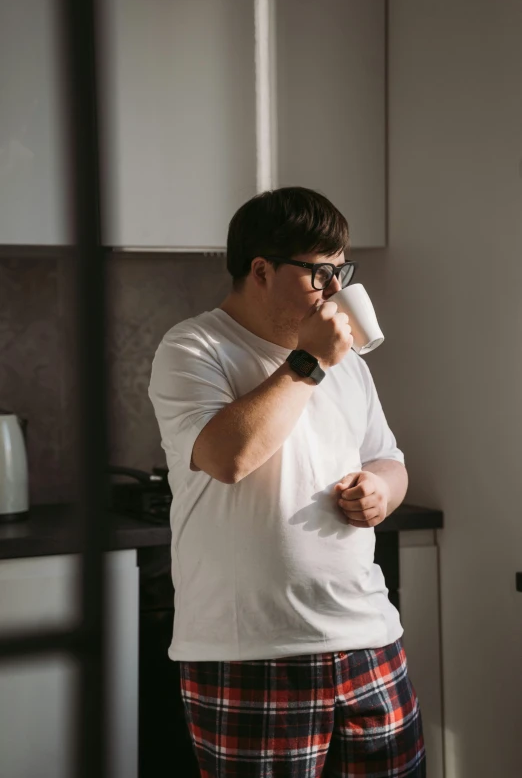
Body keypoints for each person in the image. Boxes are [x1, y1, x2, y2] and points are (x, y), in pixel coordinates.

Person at [148, 187, 426, 777]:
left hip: (369, 640)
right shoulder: (194, 347)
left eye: (340, 271)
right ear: (261, 269)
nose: (334, 290)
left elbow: (389, 458)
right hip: (250, 654)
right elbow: (230, 456)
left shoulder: (349, 361)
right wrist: (310, 362)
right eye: (320, 273)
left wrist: (381, 490)